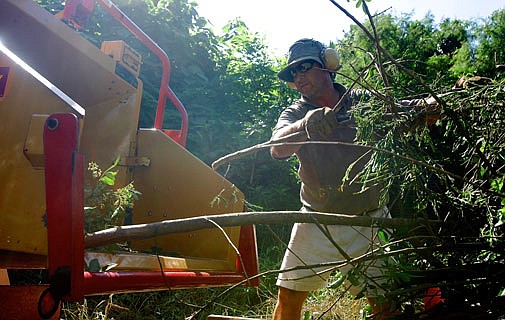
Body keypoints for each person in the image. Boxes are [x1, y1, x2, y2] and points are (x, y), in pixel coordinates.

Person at [270, 38, 393, 319]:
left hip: (369, 221)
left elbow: (405, 110)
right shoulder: (295, 113)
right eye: (293, 73)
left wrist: (436, 104)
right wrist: (305, 126)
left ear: (328, 65)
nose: (298, 77)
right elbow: (276, 148)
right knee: (289, 297)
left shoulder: (363, 101)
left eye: (305, 67)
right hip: (317, 221)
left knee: (385, 304)